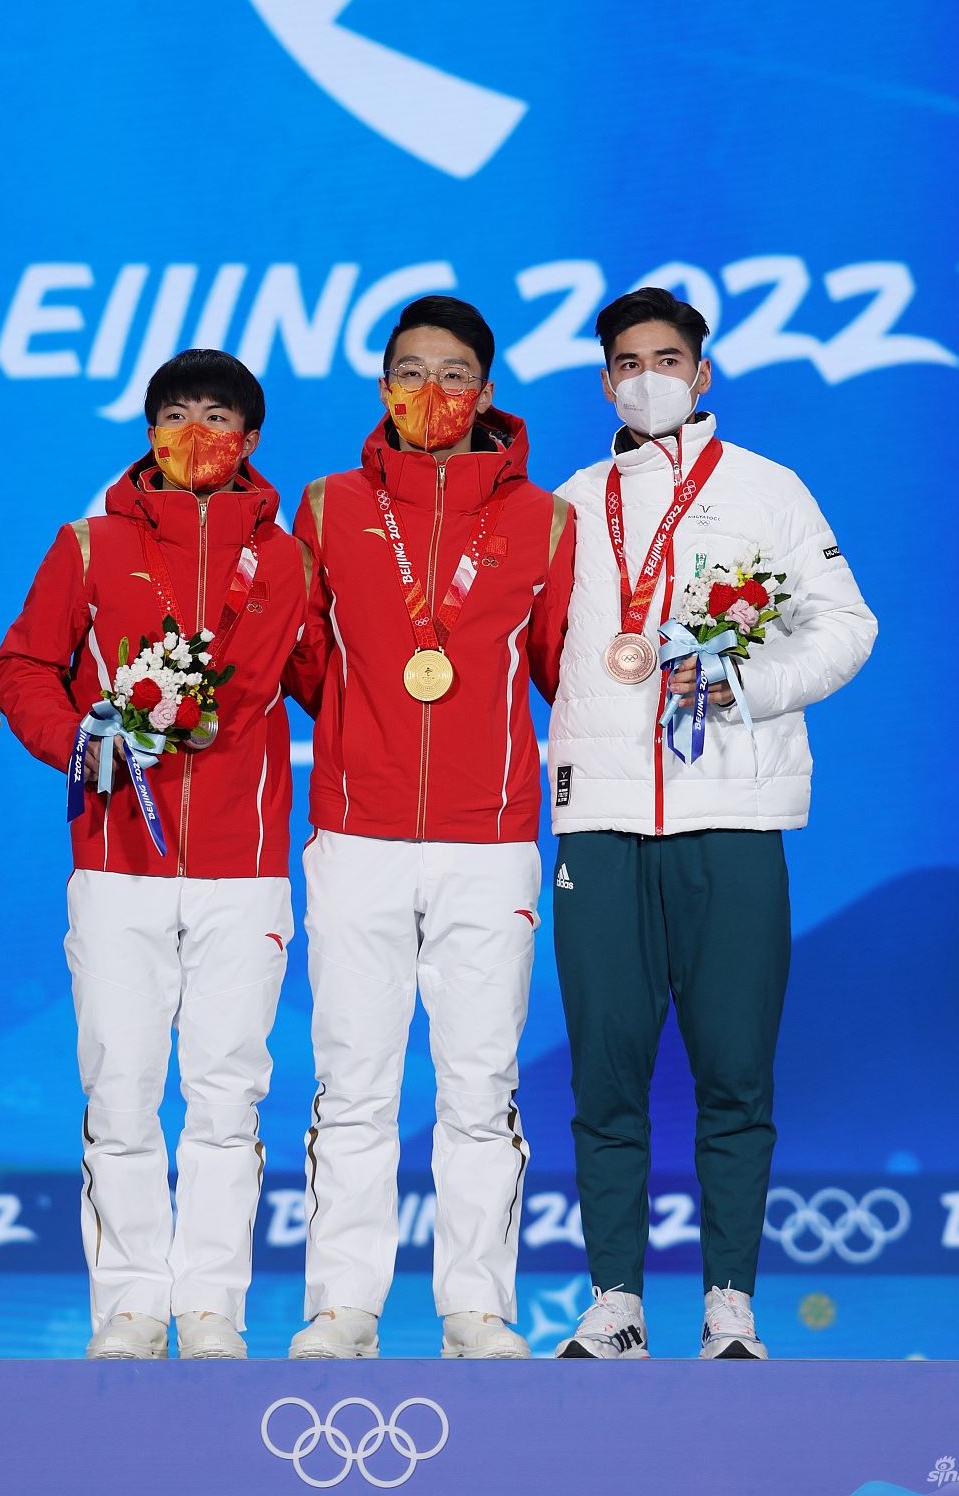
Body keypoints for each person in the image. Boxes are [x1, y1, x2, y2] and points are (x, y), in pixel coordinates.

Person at [547, 287, 877, 1360]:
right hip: (600, 822)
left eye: (666, 358)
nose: (646, 376)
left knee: (735, 1071)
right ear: (605, 380)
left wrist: (747, 687)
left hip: (732, 812)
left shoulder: (766, 487)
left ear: (701, 372)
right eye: (626, 361)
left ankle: (729, 1302)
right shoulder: (571, 502)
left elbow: (847, 625)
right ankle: (614, 1301)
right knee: (605, 1076)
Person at [0, 349, 315, 1361]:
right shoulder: (90, 544)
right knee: (121, 1089)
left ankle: (212, 1304)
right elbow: (22, 664)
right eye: (174, 414)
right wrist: (77, 741)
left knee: (227, 1096)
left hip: (243, 866)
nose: (194, 433)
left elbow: (330, 682)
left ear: (250, 438)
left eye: (216, 416)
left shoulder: (291, 560)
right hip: (116, 863)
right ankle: (129, 1305)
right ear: (148, 431)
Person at [287, 295, 576, 1361]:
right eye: (409, 371)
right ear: (382, 387)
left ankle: (475, 1310)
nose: (431, 391)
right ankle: (342, 1307)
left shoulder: (546, 522)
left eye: (454, 374)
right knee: (352, 1084)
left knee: (479, 1087)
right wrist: (365, 734)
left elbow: (560, 673)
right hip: (356, 833)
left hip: (488, 838)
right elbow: (304, 661)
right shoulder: (327, 507)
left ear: (487, 391)